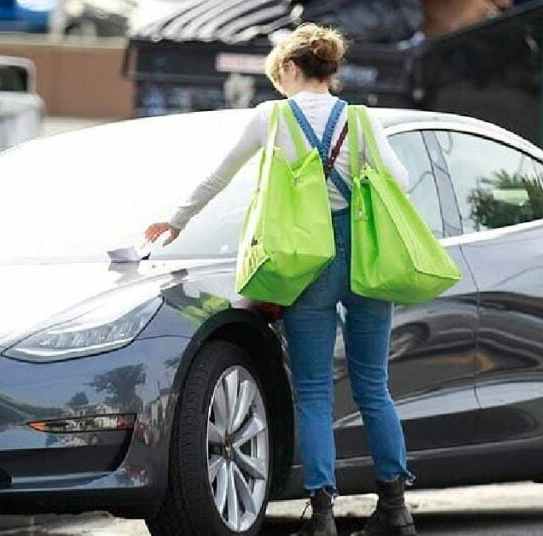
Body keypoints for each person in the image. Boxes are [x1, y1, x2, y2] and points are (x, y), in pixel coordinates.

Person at [143, 23, 417, 536]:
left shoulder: (272, 117)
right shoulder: (360, 119)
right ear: (330, 71)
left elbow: (219, 175)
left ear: (290, 68)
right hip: (363, 259)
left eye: (278, 76)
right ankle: (395, 508)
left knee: (313, 391)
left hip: (305, 261)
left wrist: (176, 220)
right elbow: (399, 181)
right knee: (374, 387)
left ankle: (323, 512)